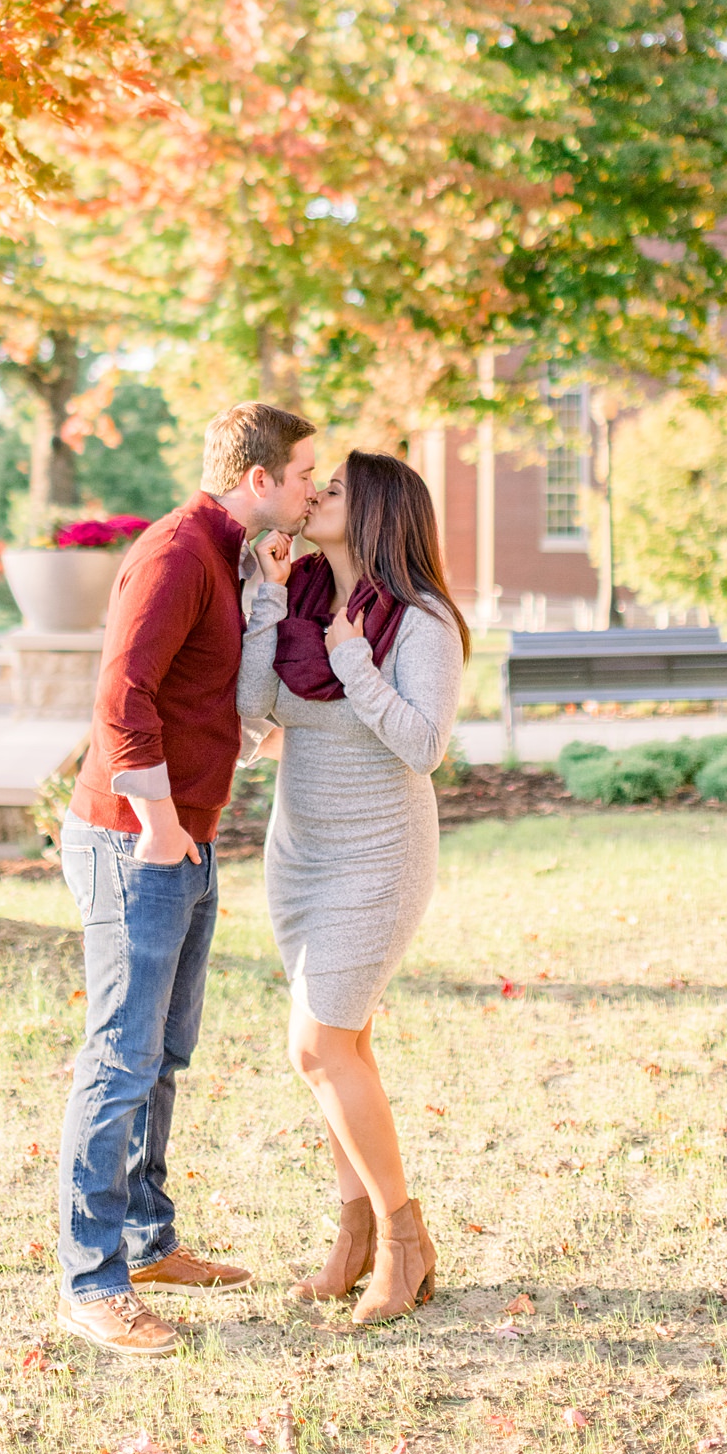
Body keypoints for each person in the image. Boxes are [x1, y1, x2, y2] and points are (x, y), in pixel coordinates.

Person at [55, 401, 319, 1356]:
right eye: (300, 478)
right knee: (120, 1059)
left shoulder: (233, 558)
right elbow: (121, 692)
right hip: (136, 840)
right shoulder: (175, 552)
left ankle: (147, 1241)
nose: (310, 493)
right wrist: (161, 824)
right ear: (256, 479)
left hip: (184, 838)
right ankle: (92, 1282)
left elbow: (216, 684)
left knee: (163, 1055)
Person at [237, 449, 468, 1326]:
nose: (313, 496)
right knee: (345, 1051)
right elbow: (254, 711)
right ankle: (355, 1240)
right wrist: (264, 603)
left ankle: (405, 1245)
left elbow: (424, 745)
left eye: (332, 490)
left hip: (380, 855)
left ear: (374, 512)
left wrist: (356, 663)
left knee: (317, 1049)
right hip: (301, 854)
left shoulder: (422, 621)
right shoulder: (296, 599)